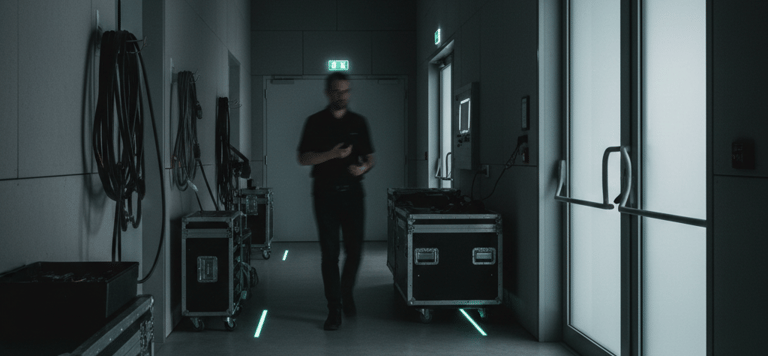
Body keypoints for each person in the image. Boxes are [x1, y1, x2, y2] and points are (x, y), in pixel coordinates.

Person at [297, 72, 375, 331]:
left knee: (354, 251)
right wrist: (332, 154)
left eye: (346, 91)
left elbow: (371, 158)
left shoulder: (359, 122)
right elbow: (304, 158)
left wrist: (362, 169)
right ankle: (334, 309)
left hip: (353, 195)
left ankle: (345, 292)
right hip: (325, 195)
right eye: (337, 91)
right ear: (328, 92)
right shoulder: (315, 122)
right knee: (329, 254)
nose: (342, 96)